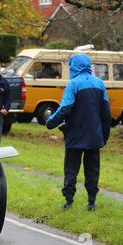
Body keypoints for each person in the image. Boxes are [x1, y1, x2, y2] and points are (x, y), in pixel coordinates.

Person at [46, 54, 111, 211]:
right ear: (88, 65)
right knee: (92, 171)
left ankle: (69, 201)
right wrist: (104, 136)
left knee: (71, 170)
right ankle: (91, 202)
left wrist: (50, 122)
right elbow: (106, 113)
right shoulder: (100, 84)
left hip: (75, 135)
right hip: (95, 136)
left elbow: (65, 108)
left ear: (74, 66)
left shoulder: (73, 84)